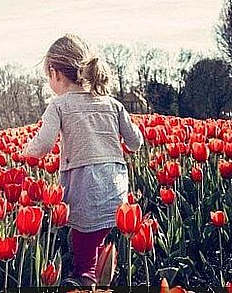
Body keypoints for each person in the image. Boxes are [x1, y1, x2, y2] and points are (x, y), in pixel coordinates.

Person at [23, 34, 143, 288]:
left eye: (48, 76)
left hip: (84, 188)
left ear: (55, 73)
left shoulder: (60, 105)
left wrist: (25, 153)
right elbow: (136, 142)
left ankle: (86, 282)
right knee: (102, 242)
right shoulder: (113, 104)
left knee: (84, 252)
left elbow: (43, 144)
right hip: (116, 188)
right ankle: (105, 278)